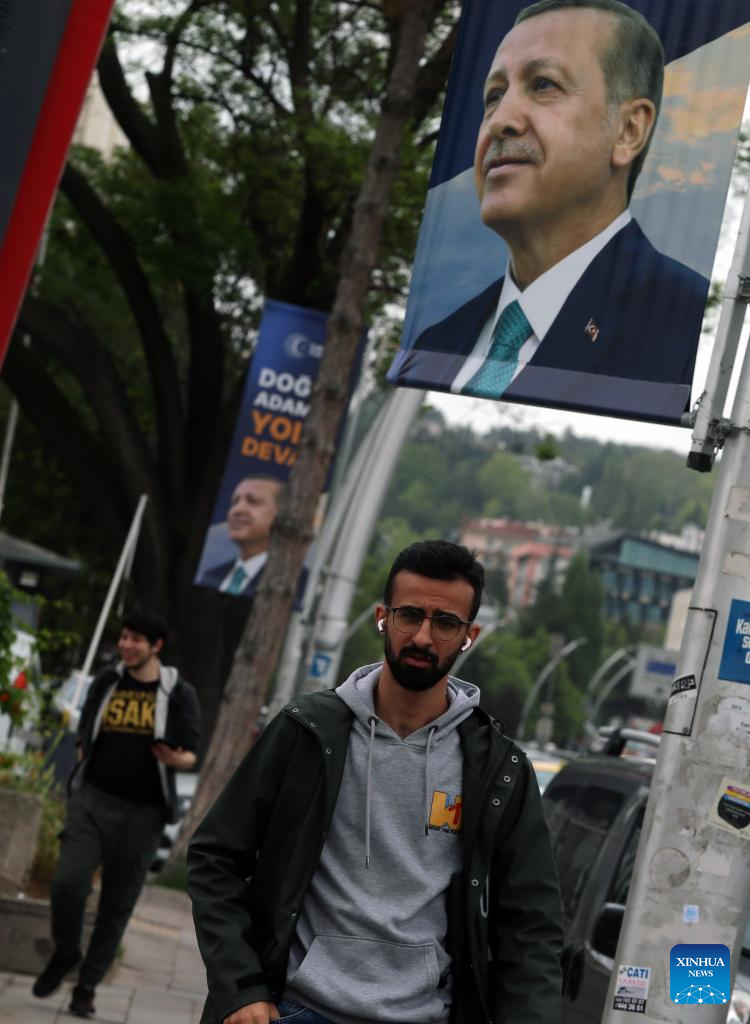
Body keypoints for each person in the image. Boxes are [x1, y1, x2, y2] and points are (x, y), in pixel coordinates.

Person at [188, 540, 563, 1024]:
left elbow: (531, 927)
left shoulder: (499, 769)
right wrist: (241, 988)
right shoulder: (308, 732)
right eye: (410, 615)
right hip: (296, 1009)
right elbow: (215, 857)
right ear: (383, 617)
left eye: (445, 623)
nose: (423, 637)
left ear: (469, 635)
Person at [401, 0, 708, 398]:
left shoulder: (690, 331)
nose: (500, 120)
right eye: (494, 96)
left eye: (544, 84)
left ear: (629, 130)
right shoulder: (436, 341)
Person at [33, 609, 201, 1018]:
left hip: (144, 815)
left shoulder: (178, 693)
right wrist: (82, 754)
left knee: (116, 905)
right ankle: (67, 950)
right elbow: (85, 731)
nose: (126, 645)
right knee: (68, 883)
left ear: (156, 646)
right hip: (92, 801)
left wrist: (174, 758)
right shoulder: (107, 681)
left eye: (136, 639)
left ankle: (86, 987)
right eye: (124, 637)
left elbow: (191, 754)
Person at [199, 476, 284, 597]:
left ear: (282, 514)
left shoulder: (298, 583)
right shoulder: (211, 575)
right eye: (234, 502)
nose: (237, 510)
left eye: (253, 501)